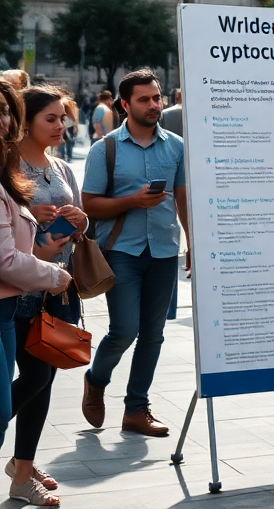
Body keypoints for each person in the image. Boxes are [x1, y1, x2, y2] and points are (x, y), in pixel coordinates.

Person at [80, 69, 188, 438]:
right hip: (120, 251)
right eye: (145, 99)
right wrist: (132, 201)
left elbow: (183, 199)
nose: (155, 104)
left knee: (153, 334)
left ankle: (136, 409)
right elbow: (89, 205)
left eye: (157, 97)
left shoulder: (176, 145)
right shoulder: (104, 148)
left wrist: (193, 245)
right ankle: (96, 380)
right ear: (124, 105)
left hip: (163, 250)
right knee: (124, 330)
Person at [15, 87, 88, 506]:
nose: (61, 126)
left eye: (63, 118)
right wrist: (36, 221)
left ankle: (23, 468)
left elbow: (81, 221)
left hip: (61, 287)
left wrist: (80, 220)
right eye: (51, 119)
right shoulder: (10, 168)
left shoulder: (61, 166)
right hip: (25, 288)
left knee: (45, 380)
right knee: (36, 376)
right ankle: (21, 466)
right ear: (26, 120)